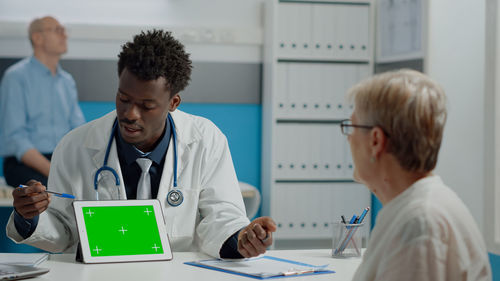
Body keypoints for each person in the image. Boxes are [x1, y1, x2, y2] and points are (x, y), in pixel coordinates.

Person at [6, 29, 276, 259]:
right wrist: (27, 215)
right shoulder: (75, 146)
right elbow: (61, 231)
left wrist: (242, 238)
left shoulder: (206, 140)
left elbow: (221, 217)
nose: (130, 114)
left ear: (173, 103)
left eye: (147, 105)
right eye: (123, 98)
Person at [341, 69, 492, 280]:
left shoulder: (418, 224)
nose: (348, 139)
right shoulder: (415, 207)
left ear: (375, 141)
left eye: (351, 127)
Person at [0, 16, 85, 187]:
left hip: (61, 161)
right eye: (57, 30)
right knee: (52, 192)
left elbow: (79, 131)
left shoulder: (67, 81)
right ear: (37, 38)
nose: (65, 36)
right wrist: (55, 171)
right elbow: (16, 138)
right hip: (25, 163)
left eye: (64, 30)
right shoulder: (16, 77)